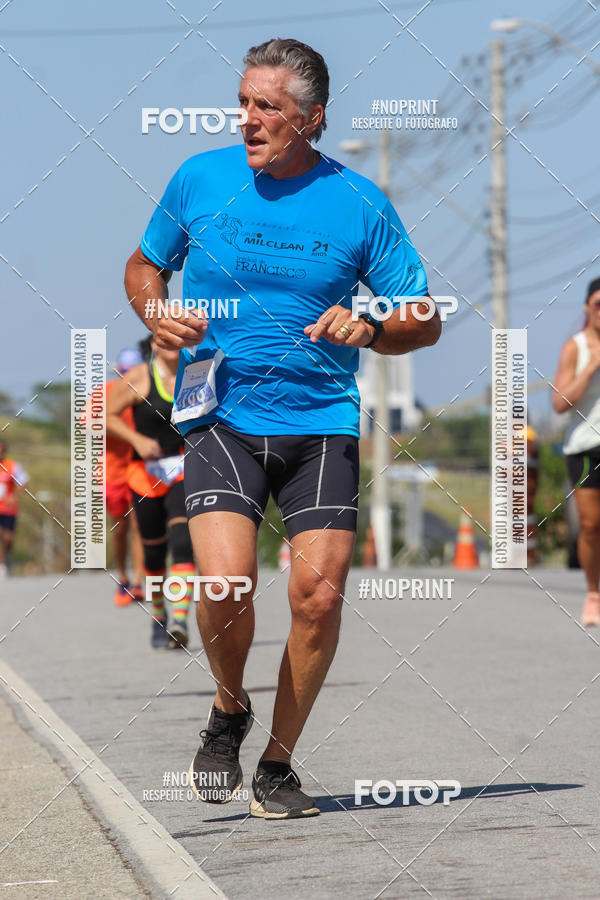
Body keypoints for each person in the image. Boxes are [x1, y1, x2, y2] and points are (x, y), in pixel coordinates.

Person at [124, 38, 440, 817]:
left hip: (321, 424)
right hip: (221, 416)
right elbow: (143, 264)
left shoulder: (359, 202)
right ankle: (229, 708)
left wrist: (370, 326)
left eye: (266, 106)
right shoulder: (201, 178)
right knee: (227, 584)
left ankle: (277, 766)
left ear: (311, 117)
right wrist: (156, 312)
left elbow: (424, 316)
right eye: (243, 103)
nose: (247, 119)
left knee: (318, 599)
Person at [106, 341, 196, 649]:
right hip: (145, 475)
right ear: (155, 342)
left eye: (177, 339)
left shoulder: (195, 373)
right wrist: (137, 440)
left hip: (183, 468)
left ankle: (179, 620)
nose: (171, 345)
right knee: (154, 553)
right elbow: (107, 416)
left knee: (183, 543)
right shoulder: (139, 377)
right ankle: (159, 614)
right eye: (164, 338)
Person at [553, 277, 600, 626]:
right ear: (587, 307)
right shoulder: (576, 348)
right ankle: (593, 593)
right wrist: (589, 368)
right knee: (591, 525)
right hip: (584, 447)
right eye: (599, 304)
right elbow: (559, 403)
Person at [106, 347, 145, 605]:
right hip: (112, 473)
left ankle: (139, 582)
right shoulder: (106, 392)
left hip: (139, 468)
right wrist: (125, 431)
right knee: (120, 529)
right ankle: (122, 575)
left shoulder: (146, 390)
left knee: (140, 526)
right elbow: (87, 423)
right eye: (124, 372)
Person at [0, 441, 28, 577]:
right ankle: (1, 565)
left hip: (8, 508)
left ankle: (5, 557)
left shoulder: (12, 465)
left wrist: (15, 496)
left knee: (8, 537)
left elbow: (24, 481)